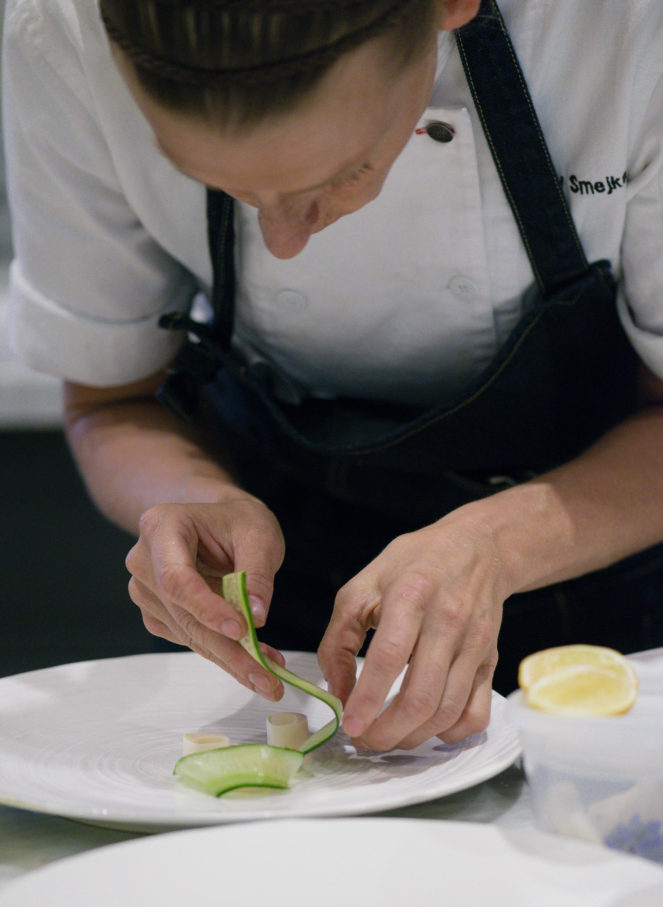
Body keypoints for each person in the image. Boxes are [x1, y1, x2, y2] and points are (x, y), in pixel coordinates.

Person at [3, 0, 663, 752]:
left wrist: (499, 541)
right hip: (279, 576)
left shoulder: (626, 29)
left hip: (610, 564)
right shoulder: (61, 30)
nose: (284, 243)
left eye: (347, 168)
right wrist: (189, 499)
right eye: (220, 184)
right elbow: (108, 397)